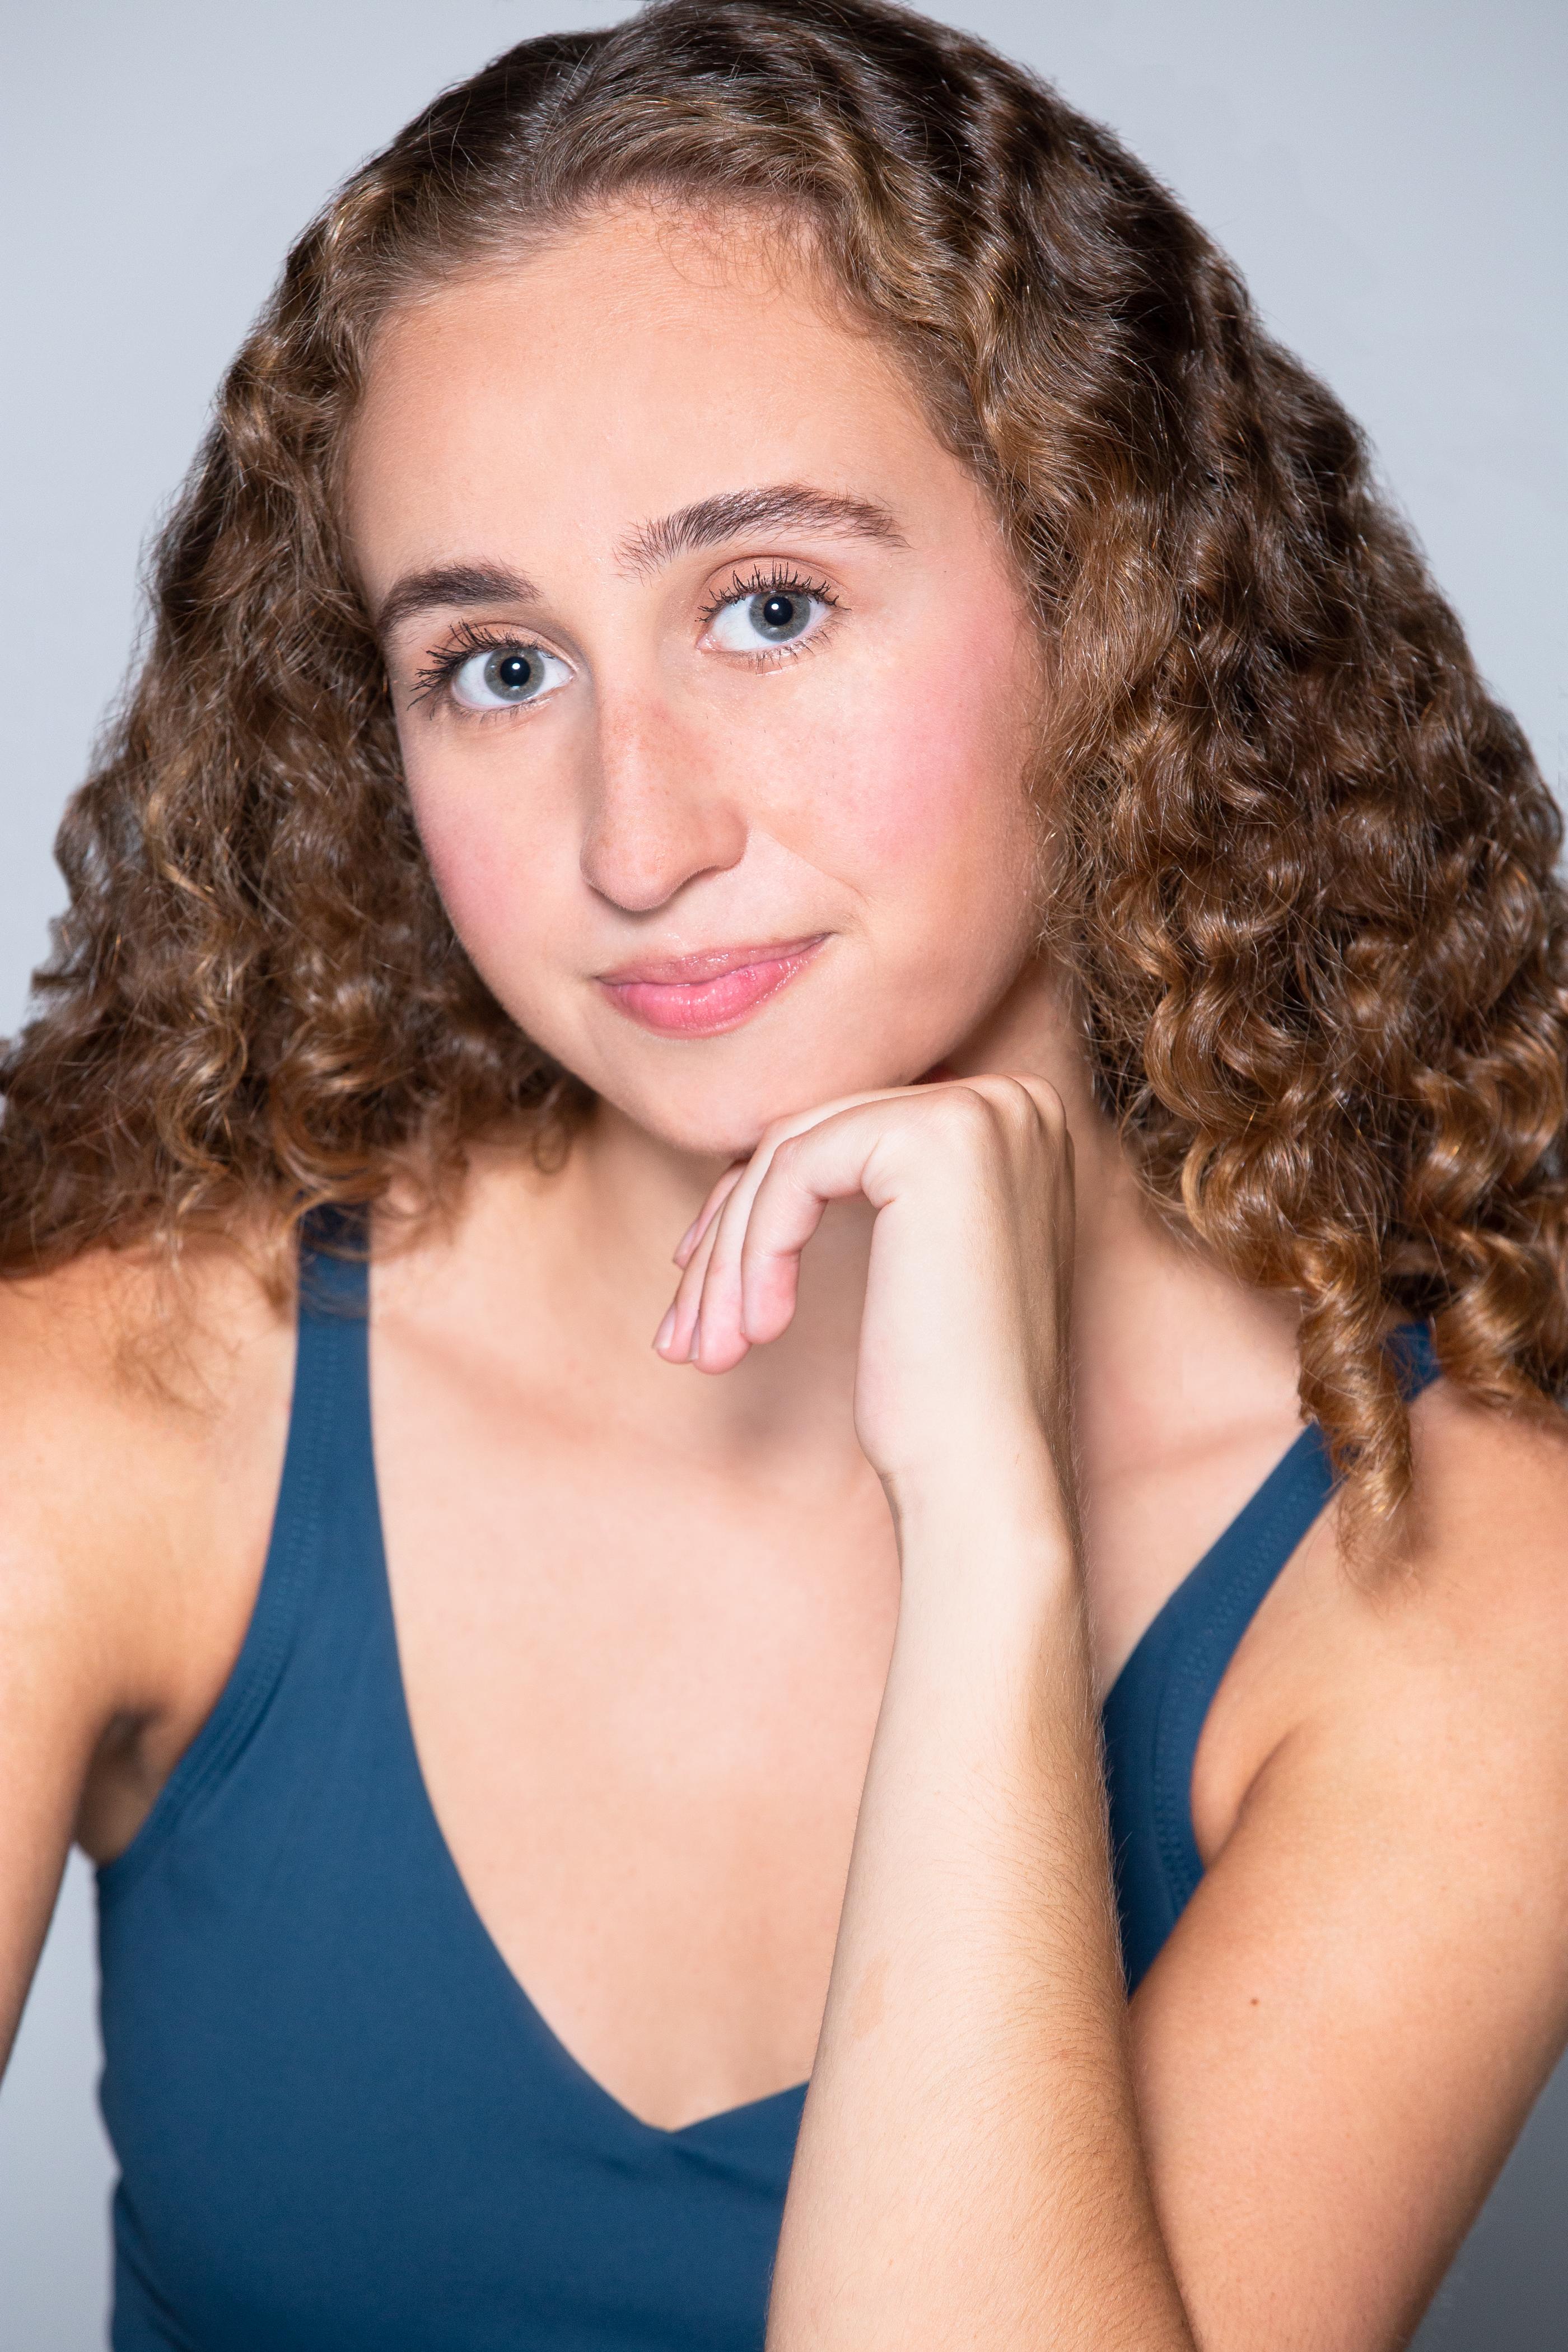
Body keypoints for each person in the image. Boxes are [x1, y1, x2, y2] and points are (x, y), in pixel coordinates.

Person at [3, 2, 1566, 2345]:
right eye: (497, 668)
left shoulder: (1456, 1578)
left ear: (1114, 594)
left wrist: (988, 1530)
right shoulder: (131, 1396)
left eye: (767, 606)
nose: (638, 840)